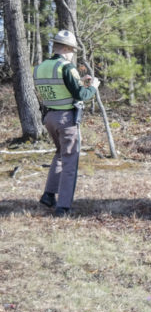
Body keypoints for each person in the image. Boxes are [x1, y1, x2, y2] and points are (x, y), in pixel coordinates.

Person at [34, 29, 100, 217]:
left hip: (49, 118)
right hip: (67, 119)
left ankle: (48, 195)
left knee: (60, 154)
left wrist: (81, 82)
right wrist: (93, 87)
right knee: (70, 159)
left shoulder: (40, 68)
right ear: (66, 48)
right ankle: (63, 206)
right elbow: (80, 95)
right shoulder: (67, 67)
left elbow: (60, 89)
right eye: (72, 50)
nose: (72, 54)